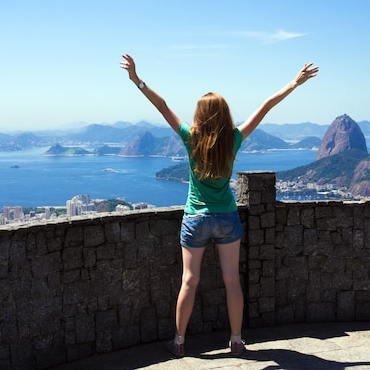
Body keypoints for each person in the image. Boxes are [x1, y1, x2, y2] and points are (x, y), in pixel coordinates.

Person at [120, 54, 318, 357]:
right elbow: (265, 107)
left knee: (189, 280)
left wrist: (137, 79)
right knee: (231, 281)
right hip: (226, 217)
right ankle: (236, 340)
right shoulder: (234, 139)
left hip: (195, 218)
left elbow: (161, 106)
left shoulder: (191, 138)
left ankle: (179, 342)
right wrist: (294, 82)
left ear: (200, 114)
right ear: (224, 114)